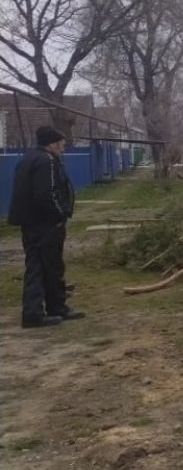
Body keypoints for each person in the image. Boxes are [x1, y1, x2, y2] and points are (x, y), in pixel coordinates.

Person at [7, 126, 86, 328]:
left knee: (36, 265)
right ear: (51, 144)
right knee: (50, 266)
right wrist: (60, 214)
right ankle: (49, 309)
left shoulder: (28, 159)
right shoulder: (47, 161)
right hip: (45, 223)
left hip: (31, 222)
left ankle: (42, 309)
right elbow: (47, 194)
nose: (63, 148)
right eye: (61, 144)